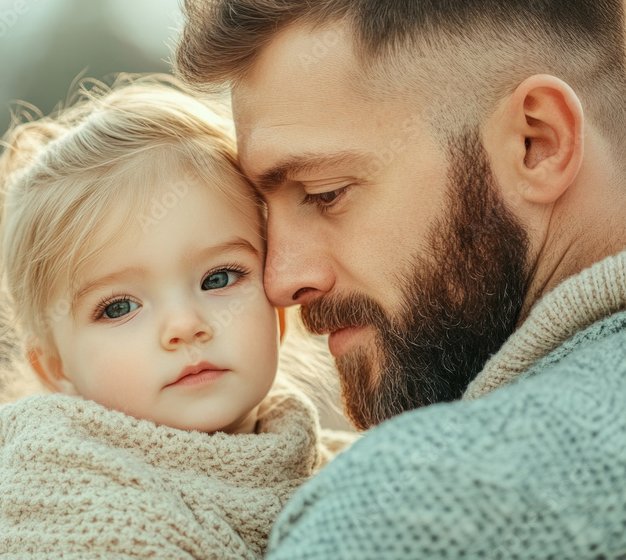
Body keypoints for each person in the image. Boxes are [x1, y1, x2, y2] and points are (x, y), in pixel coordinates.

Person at [175, 0, 626, 558]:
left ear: (538, 142)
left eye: (324, 193)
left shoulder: (411, 509)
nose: (278, 281)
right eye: (267, 215)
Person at [0, 74, 354, 559]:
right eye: (119, 308)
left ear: (278, 313)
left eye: (220, 278)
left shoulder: (350, 473)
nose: (185, 326)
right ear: (55, 367)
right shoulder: (66, 514)